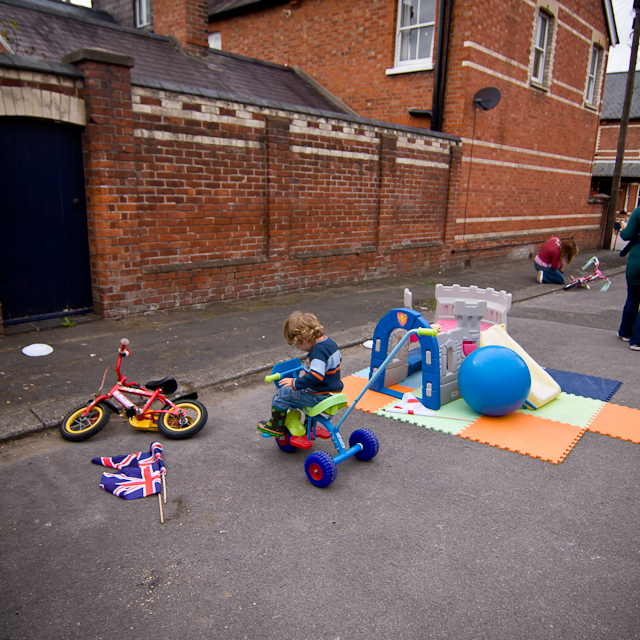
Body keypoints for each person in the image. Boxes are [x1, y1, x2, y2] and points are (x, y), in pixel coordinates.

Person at [257, 311, 343, 438]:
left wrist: (294, 383)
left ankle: (275, 426)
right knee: (305, 392)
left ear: (304, 338)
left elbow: (316, 376)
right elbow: (337, 360)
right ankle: (311, 427)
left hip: (318, 395)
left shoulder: (317, 353)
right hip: (332, 391)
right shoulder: (330, 343)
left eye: (297, 344)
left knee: (282, 394)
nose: (298, 348)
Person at [617, 207, 640, 351]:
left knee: (632, 297)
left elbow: (626, 235)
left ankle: (625, 332)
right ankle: (637, 341)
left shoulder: (638, 211)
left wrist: (624, 227)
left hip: (636, 261)